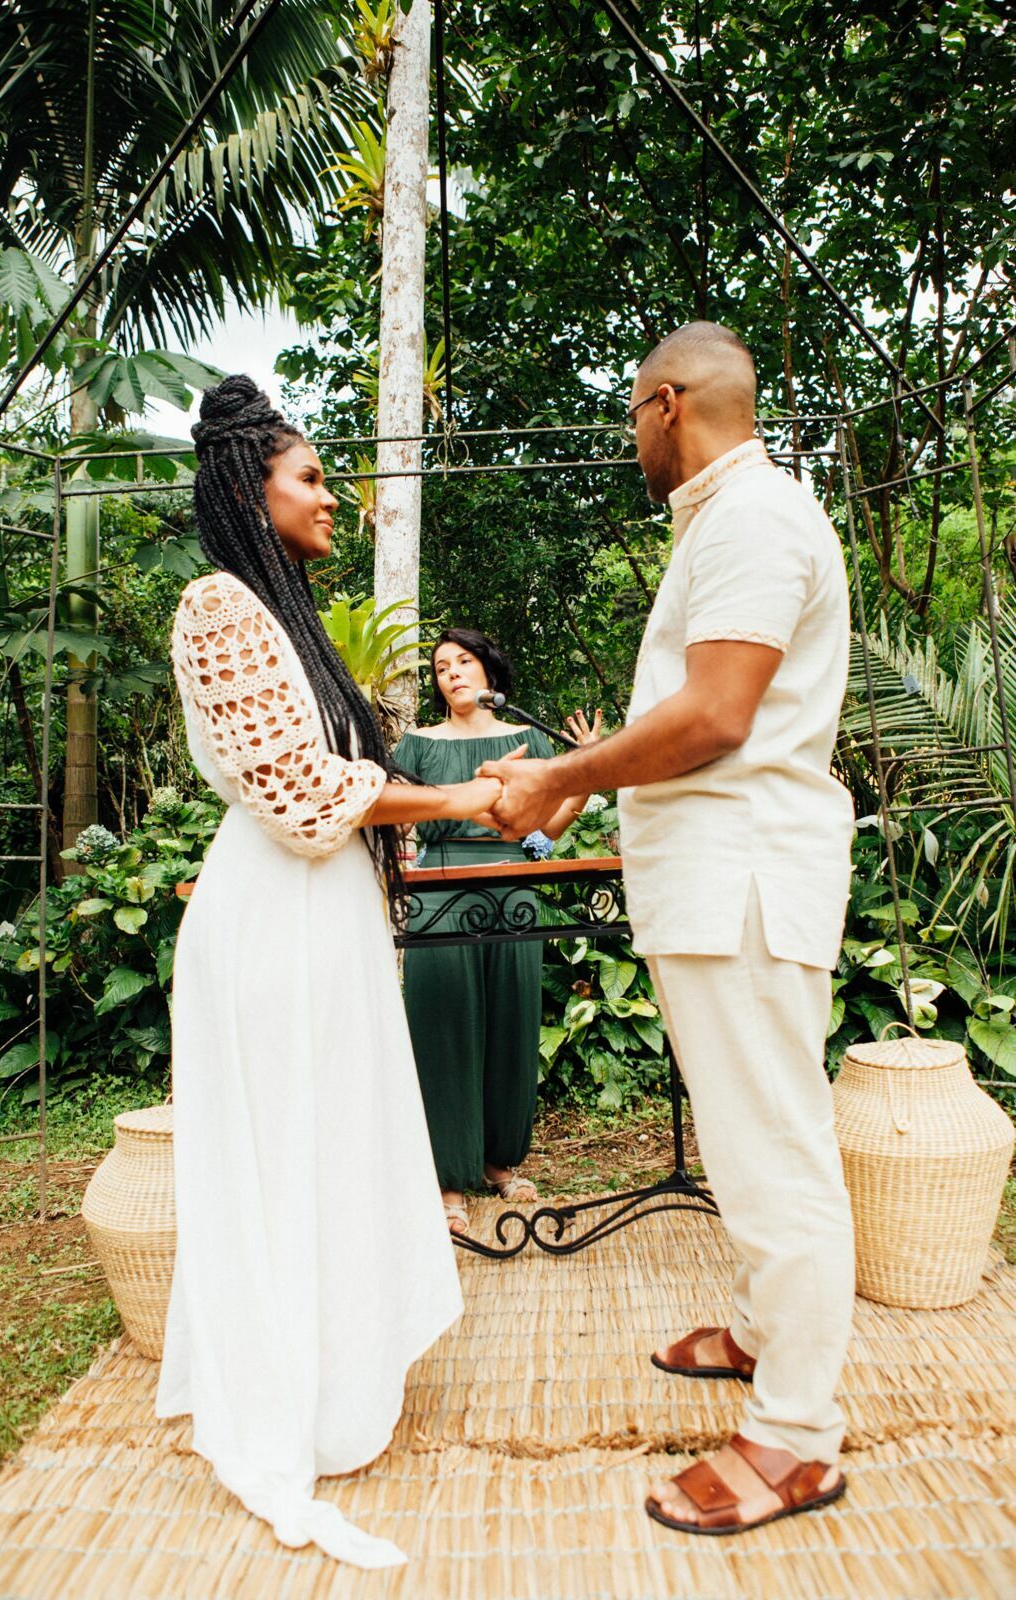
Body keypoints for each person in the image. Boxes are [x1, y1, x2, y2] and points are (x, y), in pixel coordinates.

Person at [478, 321, 856, 1537]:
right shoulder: (727, 519)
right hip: (718, 880)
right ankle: (758, 1334)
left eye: (628, 420)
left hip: (742, 880)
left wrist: (562, 779)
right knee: (752, 1131)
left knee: (770, 1148)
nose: (628, 441)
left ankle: (796, 1438)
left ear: (663, 403)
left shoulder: (750, 518)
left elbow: (714, 714)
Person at [156, 376, 511, 1568]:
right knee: (289, 1150)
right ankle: (290, 1405)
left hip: (331, 923)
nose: (332, 499)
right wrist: (465, 792)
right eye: (310, 477)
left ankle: (339, 1388)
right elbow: (301, 799)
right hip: (273, 925)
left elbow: (339, 781)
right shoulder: (218, 604)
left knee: (334, 1146)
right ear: (249, 491)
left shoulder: (282, 611)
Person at [394, 629, 600, 1234]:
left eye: (464, 662)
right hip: (438, 889)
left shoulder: (528, 739)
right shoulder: (416, 745)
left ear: (489, 672)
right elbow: (402, 829)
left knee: (512, 1022)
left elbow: (543, 836)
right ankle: (447, 1180)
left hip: (512, 889)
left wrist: (583, 776)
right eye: (440, 667)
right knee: (442, 1025)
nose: (452, 673)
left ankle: (498, 1163)